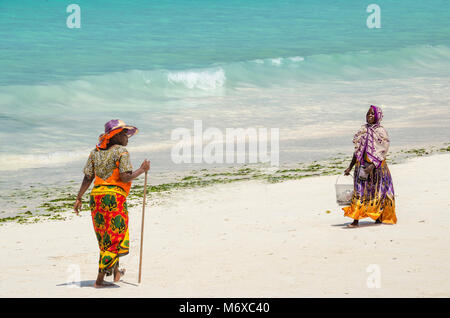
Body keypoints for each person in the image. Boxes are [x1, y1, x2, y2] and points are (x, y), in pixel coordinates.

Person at [74, 119, 150, 287]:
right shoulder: (122, 152)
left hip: (96, 198)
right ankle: (100, 280)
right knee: (114, 237)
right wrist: (142, 170)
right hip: (114, 198)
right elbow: (125, 177)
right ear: (116, 135)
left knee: (104, 238)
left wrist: (79, 197)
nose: (127, 138)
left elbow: (88, 177)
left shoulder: (95, 152)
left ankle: (116, 273)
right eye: (124, 134)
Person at [342, 105, 397, 228]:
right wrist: (350, 167)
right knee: (359, 193)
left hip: (377, 168)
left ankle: (377, 216)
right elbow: (357, 150)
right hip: (361, 167)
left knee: (377, 193)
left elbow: (383, 150)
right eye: (368, 114)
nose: (370, 116)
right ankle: (355, 220)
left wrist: (373, 165)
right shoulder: (362, 130)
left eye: (372, 114)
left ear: (377, 116)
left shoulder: (381, 131)